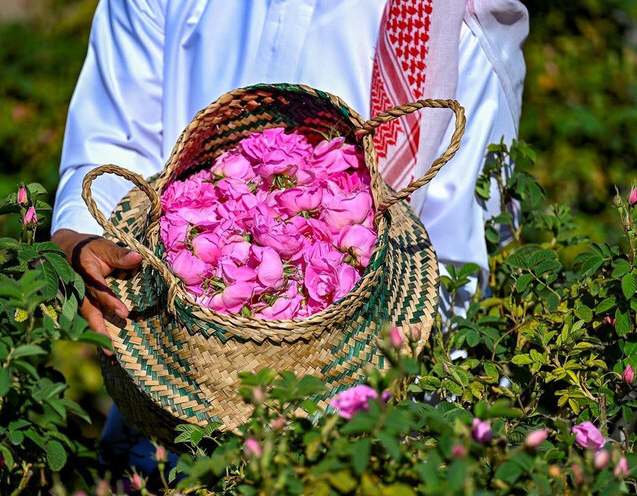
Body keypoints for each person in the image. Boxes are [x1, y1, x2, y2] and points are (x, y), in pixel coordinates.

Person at [51, 0, 528, 476]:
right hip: (170, 388)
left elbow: (457, 267)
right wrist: (81, 240)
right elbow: (109, 143)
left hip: (354, 439)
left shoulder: (448, 15)